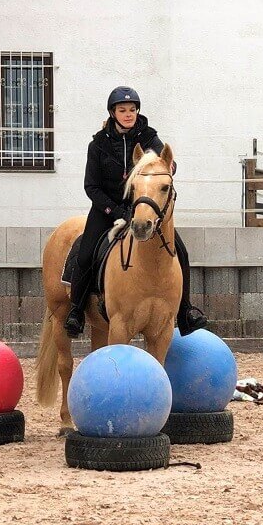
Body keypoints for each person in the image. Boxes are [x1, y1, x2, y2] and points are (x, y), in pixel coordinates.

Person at [64, 86, 208, 338]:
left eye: (132, 110)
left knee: (180, 251)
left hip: (141, 206)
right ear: (113, 113)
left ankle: (185, 310)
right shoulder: (97, 144)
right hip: (106, 207)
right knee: (85, 253)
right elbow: (91, 186)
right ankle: (76, 311)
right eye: (122, 110)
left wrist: (169, 166)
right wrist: (115, 210)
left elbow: (165, 163)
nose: (128, 114)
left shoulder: (149, 136)